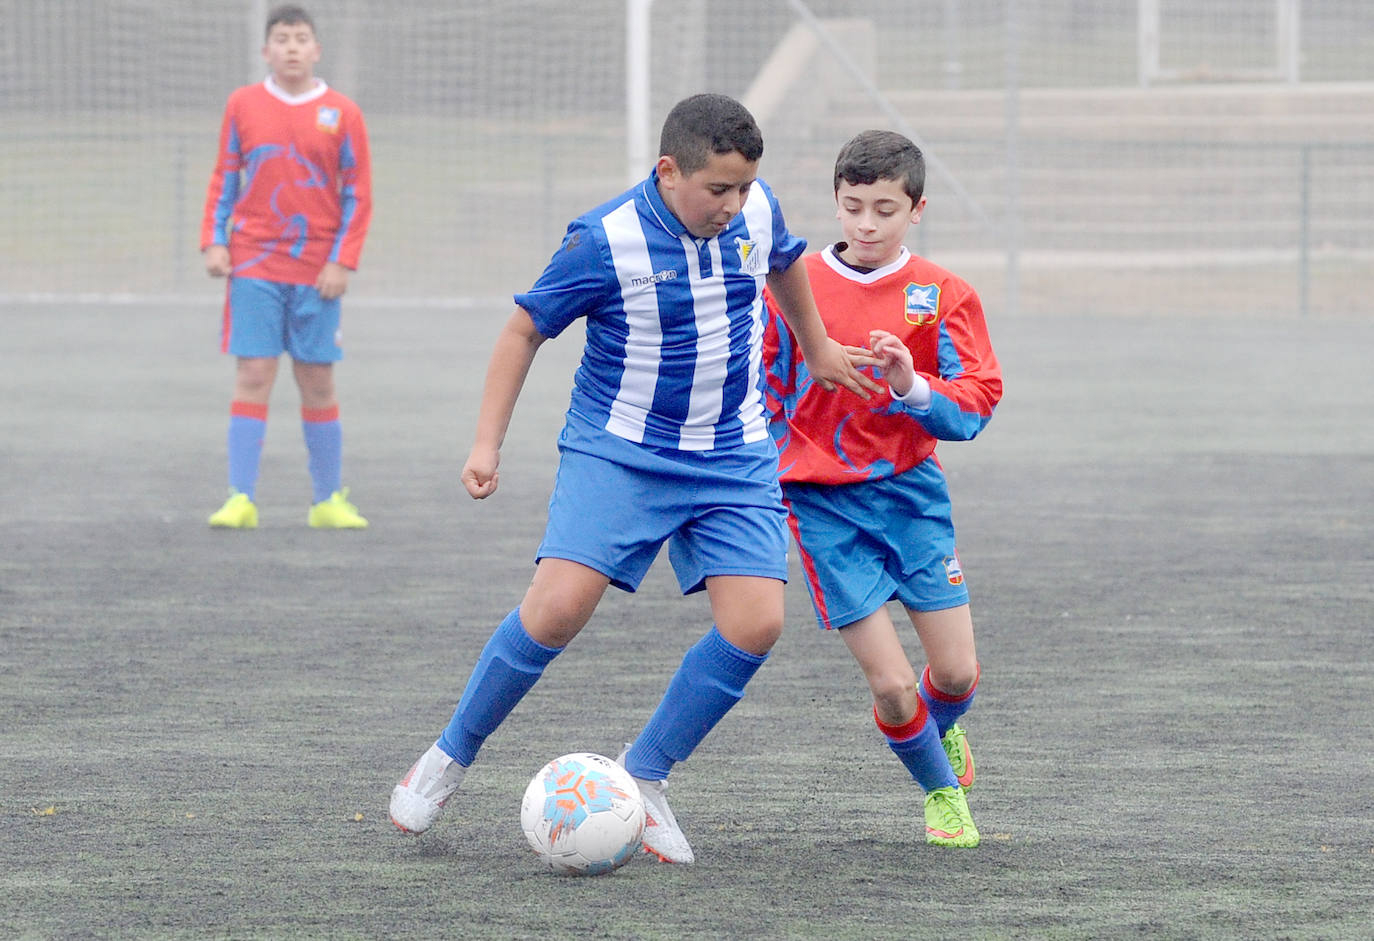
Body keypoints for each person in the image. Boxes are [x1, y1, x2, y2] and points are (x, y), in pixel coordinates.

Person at [389, 93, 879, 864]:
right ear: (668, 171)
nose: (735, 204)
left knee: (756, 623)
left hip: (732, 451)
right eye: (718, 189)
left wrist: (816, 348)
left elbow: (784, 261)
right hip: (620, 450)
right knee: (554, 612)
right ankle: (450, 754)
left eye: (745, 188)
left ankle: (644, 776)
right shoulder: (603, 238)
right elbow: (524, 329)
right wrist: (488, 443)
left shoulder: (756, 210)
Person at [761, 129, 1002, 848]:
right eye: (853, 206)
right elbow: (759, 384)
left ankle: (937, 729)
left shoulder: (942, 293)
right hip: (822, 506)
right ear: (835, 202)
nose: (866, 223)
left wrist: (911, 386)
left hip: (912, 497)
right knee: (894, 686)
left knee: (955, 674)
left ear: (916, 209)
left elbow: (979, 399)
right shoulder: (790, 283)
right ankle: (941, 793)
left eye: (885, 210)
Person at [200, 4, 372, 530]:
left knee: (317, 381)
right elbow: (224, 175)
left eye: (301, 38)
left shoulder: (343, 112)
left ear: (316, 49)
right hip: (254, 262)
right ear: (266, 50)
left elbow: (358, 194)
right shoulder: (242, 105)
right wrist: (214, 240)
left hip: (318, 270)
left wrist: (343, 260)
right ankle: (239, 499)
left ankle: (328, 501)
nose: (292, 46)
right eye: (282, 38)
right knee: (253, 374)